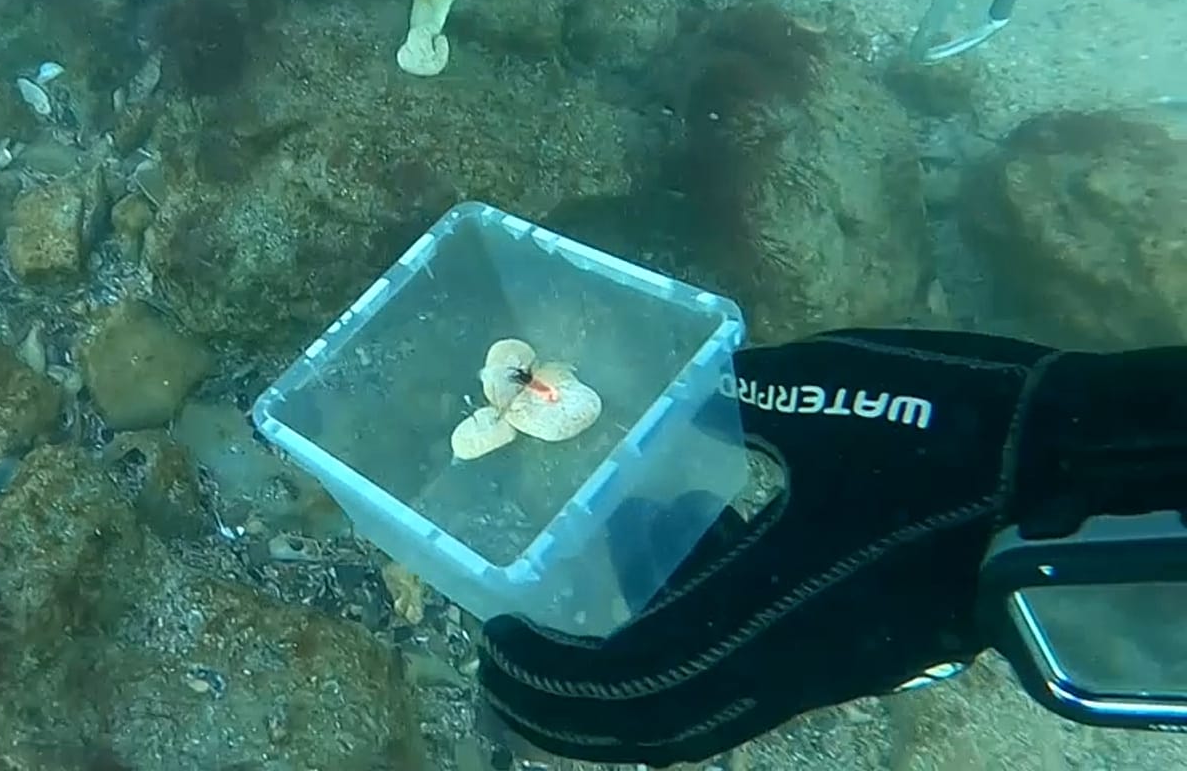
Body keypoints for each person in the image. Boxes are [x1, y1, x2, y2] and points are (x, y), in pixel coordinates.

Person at [477, 327, 1187, 767]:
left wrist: (1033, 457)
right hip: (1064, 434)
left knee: (649, 679)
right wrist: (1068, 426)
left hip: (1039, 469)